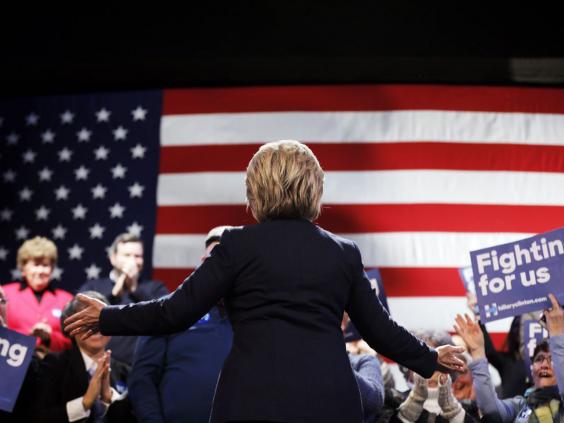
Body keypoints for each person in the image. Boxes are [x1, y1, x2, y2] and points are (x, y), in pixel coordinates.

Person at [65, 140, 465, 423]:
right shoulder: (343, 253)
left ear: (255, 190)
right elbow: (380, 330)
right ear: (315, 188)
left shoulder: (236, 245)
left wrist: (109, 317)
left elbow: (175, 312)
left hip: (251, 402)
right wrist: (430, 357)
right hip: (329, 403)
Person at [128, 225, 234, 423]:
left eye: (227, 261)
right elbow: (143, 378)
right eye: (213, 259)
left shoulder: (255, 316)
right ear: (202, 262)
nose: (219, 268)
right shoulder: (168, 309)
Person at [454, 293, 564, 423]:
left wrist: (558, 336)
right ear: (531, 369)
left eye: (552, 359)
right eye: (539, 359)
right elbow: (490, 410)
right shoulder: (520, 405)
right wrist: (477, 353)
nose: (544, 365)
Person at [34, 291, 135, 423]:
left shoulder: (125, 372)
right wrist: (84, 403)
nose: (94, 327)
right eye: (85, 320)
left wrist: (109, 399)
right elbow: (39, 417)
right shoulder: (55, 365)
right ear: (69, 327)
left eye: (100, 319)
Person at [78, 233, 169, 364]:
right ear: (113, 258)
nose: (132, 261)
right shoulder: (93, 287)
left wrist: (134, 289)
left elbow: (163, 316)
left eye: (137, 256)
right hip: (100, 363)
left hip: (142, 365)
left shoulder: (155, 288)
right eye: (127, 255)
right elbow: (81, 319)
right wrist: (113, 295)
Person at [3, 236, 73, 354]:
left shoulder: (66, 299)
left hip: (54, 363)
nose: (40, 271)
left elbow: (74, 342)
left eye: (45, 265)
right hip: (13, 361)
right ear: (23, 269)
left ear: (52, 269)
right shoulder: (5, 294)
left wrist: (50, 337)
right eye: (35, 265)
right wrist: (28, 336)